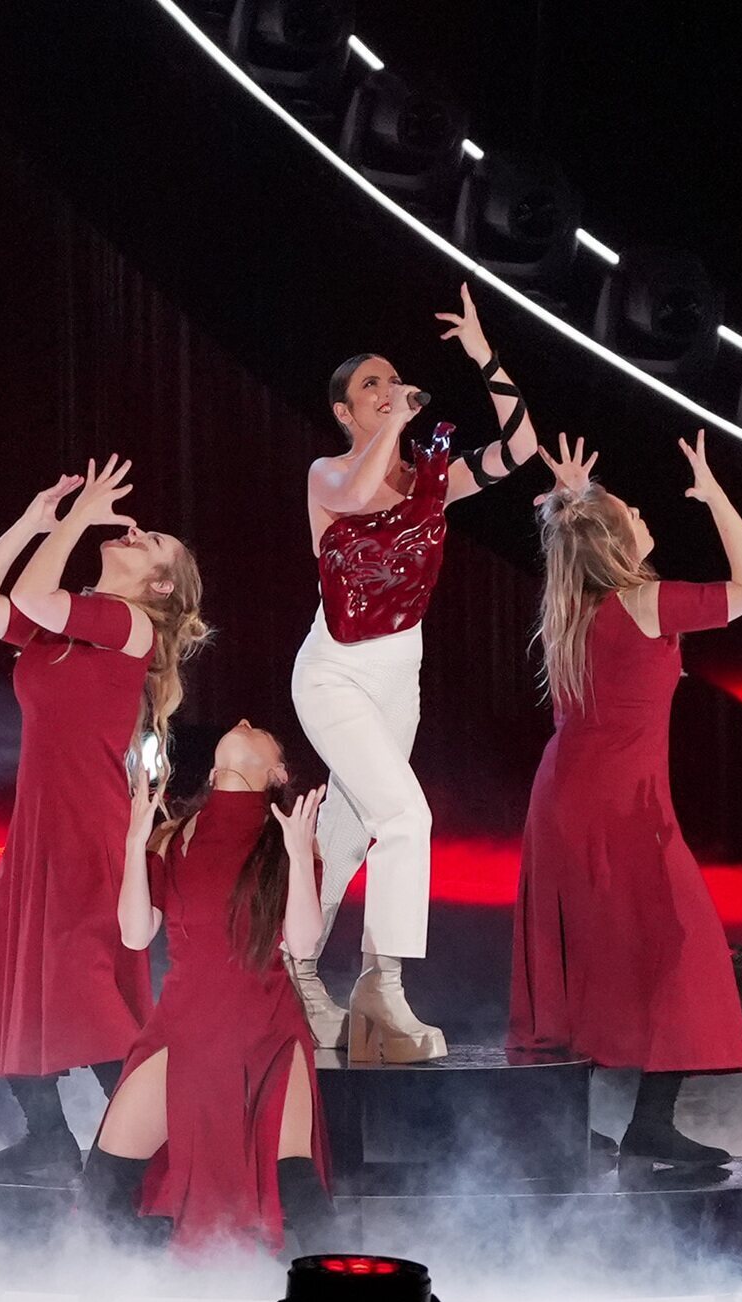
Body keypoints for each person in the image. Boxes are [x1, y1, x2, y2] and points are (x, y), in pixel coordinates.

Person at [290, 282, 543, 1061]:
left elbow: (522, 449)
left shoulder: (434, 474)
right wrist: (398, 424)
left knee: (353, 828)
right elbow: (365, 496)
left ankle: (294, 972)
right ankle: (383, 984)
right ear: (345, 412)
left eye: (391, 379)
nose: (386, 389)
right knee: (409, 819)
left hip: (402, 672)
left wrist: (482, 356)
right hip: (334, 671)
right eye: (370, 385)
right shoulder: (329, 473)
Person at [508, 431, 742, 1167]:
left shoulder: (573, 605)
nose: (640, 511)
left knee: (593, 953)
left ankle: (584, 1122)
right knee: (680, 947)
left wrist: (573, 501)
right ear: (618, 540)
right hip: (620, 804)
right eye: (629, 509)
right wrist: (716, 496)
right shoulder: (643, 600)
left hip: (568, 796)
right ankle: (645, 1122)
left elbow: (569, 540)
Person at [0, 457, 209, 1177]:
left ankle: (147, 1151)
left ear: (160, 586)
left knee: (88, 996)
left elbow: (34, 591)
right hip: (40, 830)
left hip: (89, 831)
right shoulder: (66, 628)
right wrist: (36, 522)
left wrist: (76, 519)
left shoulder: (129, 623)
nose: (135, 530)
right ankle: (52, 1141)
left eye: (151, 540)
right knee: (14, 981)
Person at [80, 722, 334, 1255]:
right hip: (184, 1031)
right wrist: (133, 841)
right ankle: (121, 1301)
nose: (243, 723)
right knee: (103, 1190)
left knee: (299, 1191)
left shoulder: (285, 838)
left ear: (277, 773)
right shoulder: (175, 833)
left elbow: (305, 944)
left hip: (265, 1030)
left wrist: (297, 849)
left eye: (263, 731)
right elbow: (134, 933)